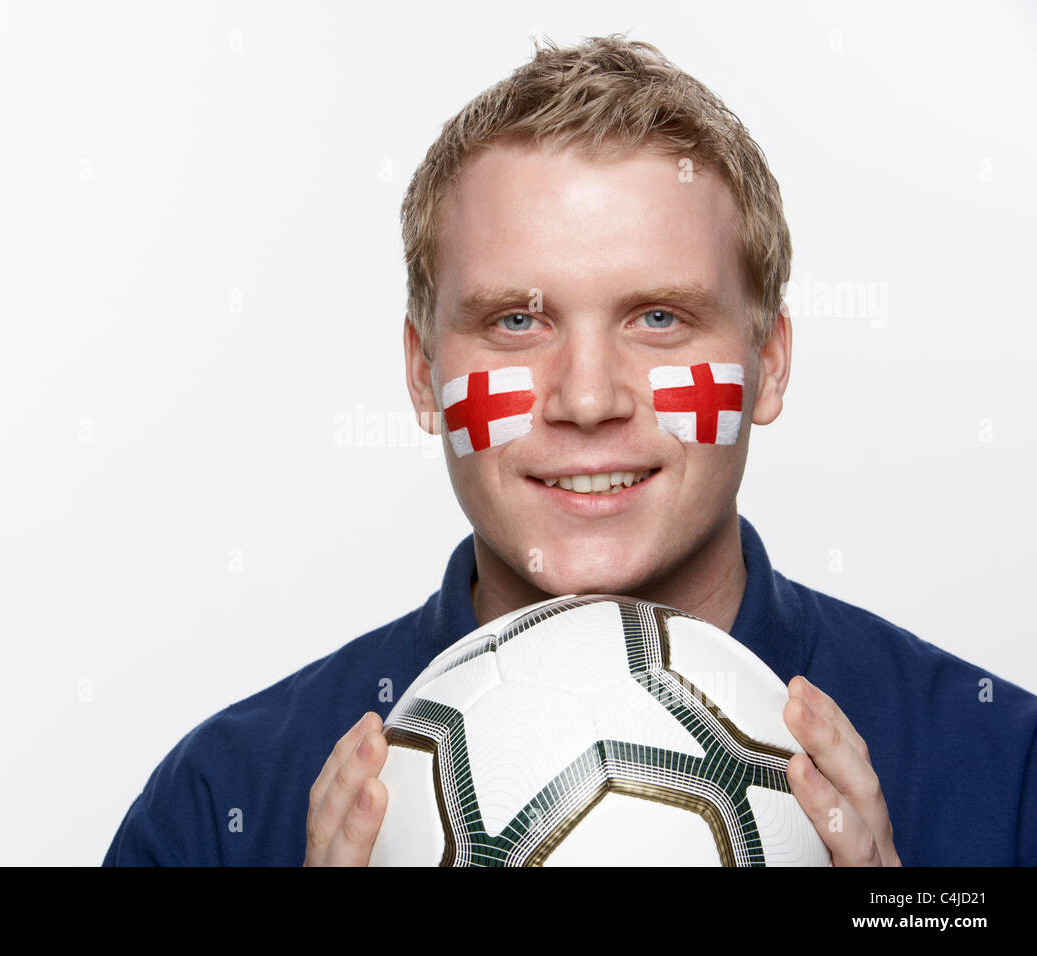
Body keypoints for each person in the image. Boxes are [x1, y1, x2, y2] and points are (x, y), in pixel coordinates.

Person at [103, 34, 1037, 867]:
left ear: (771, 363)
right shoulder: (215, 809)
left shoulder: (1007, 776)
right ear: (424, 374)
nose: (587, 398)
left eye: (660, 317)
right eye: (516, 320)